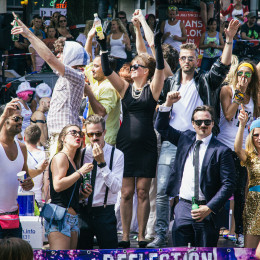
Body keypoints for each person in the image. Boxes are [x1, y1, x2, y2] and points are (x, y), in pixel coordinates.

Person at [96, 9, 165, 248]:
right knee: (125, 192)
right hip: (125, 145)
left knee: (143, 192)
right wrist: (103, 46)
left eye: (137, 66)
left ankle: (142, 235)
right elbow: (107, 70)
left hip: (146, 144)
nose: (132, 68)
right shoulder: (125, 89)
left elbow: (160, 68)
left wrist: (154, 41)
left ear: (145, 71)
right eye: (132, 66)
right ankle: (124, 236)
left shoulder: (152, 89)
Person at [155, 102, 236, 247]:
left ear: (213, 123)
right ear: (193, 123)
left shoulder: (222, 150)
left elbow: (229, 184)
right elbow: (161, 127)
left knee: (205, 254)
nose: (203, 125)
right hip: (184, 207)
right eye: (199, 122)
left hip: (207, 209)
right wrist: (167, 104)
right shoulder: (185, 138)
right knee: (179, 254)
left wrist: (209, 207)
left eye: (207, 122)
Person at [11, 12, 89, 159]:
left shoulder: (77, 75)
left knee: (60, 179)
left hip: (66, 137)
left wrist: (28, 34)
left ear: (71, 55)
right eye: (57, 53)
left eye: (60, 53)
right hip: (58, 137)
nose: (57, 56)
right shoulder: (66, 75)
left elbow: (49, 58)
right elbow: (50, 57)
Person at [217, 61, 259, 247]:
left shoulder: (255, 96)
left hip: (244, 148)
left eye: (248, 74)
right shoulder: (227, 90)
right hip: (225, 146)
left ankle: (240, 232)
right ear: (235, 73)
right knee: (222, 189)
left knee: (242, 191)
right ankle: (216, 229)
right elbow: (228, 114)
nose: (244, 77)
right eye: (241, 73)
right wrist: (239, 93)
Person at [78, 115, 124, 249]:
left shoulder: (117, 154)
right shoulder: (80, 154)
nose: (94, 138)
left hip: (105, 212)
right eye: (90, 134)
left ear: (104, 132)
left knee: (109, 254)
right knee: (82, 255)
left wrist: (102, 163)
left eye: (98, 134)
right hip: (83, 211)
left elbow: (116, 188)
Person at [45, 124, 93, 250]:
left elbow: (66, 192)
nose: (78, 136)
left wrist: (82, 195)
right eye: (73, 133)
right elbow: (57, 185)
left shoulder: (73, 160)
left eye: (80, 134)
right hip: (60, 216)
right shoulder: (61, 157)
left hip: (72, 217)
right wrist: (80, 172)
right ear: (63, 138)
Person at [0, 100, 34, 239]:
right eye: (16, 118)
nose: (20, 122)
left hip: (13, 218)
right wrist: (2, 116)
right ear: (5, 120)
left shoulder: (22, 147)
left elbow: (26, 179)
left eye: (22, 118)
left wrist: (28, 183)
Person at [84, 27, 121, 146]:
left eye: (96, 66)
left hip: (105, 142)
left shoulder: (109, 87)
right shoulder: (97, 80)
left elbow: (101, 113)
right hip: (92, 140)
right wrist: (89, 38)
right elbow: (87, 61)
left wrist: (89, 92)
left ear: (105, 70)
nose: (92, 69)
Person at [235, 113, 260, 249]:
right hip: (254, 204)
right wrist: (242, 125)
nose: (259, 138)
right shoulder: (250, 157)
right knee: (250, 251)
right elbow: (237, 149)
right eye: (256, 135)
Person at [23, 125, 47, 207]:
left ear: (24, 138)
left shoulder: (19, 153)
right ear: (39, 139)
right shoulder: (44, 155)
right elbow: (46, 182)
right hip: (37, 198)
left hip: (19, 197)